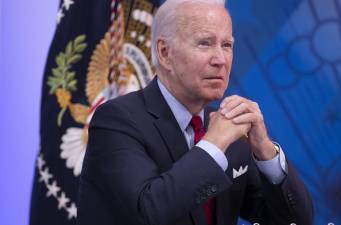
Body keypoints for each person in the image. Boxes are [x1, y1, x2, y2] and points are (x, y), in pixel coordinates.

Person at [77, 0, 313, 225]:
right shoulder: (116, 121)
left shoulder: (231, 133)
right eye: (205, 43)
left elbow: (294, 221)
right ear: (165, 53)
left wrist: (266, 152)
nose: (221, 60)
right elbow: (148, 213)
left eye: (227, 45)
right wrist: (214, 144)